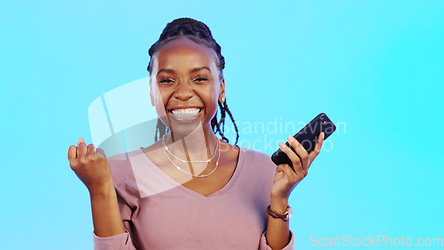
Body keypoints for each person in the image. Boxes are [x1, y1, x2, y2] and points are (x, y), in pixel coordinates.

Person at [67, 17, 325, 250]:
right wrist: (99, 189)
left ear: (221, 88)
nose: (182, 93)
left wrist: (280, 199)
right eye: (167, 80)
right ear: (150, 92)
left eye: (199, 79)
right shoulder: (120, 174)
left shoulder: (265, 171)